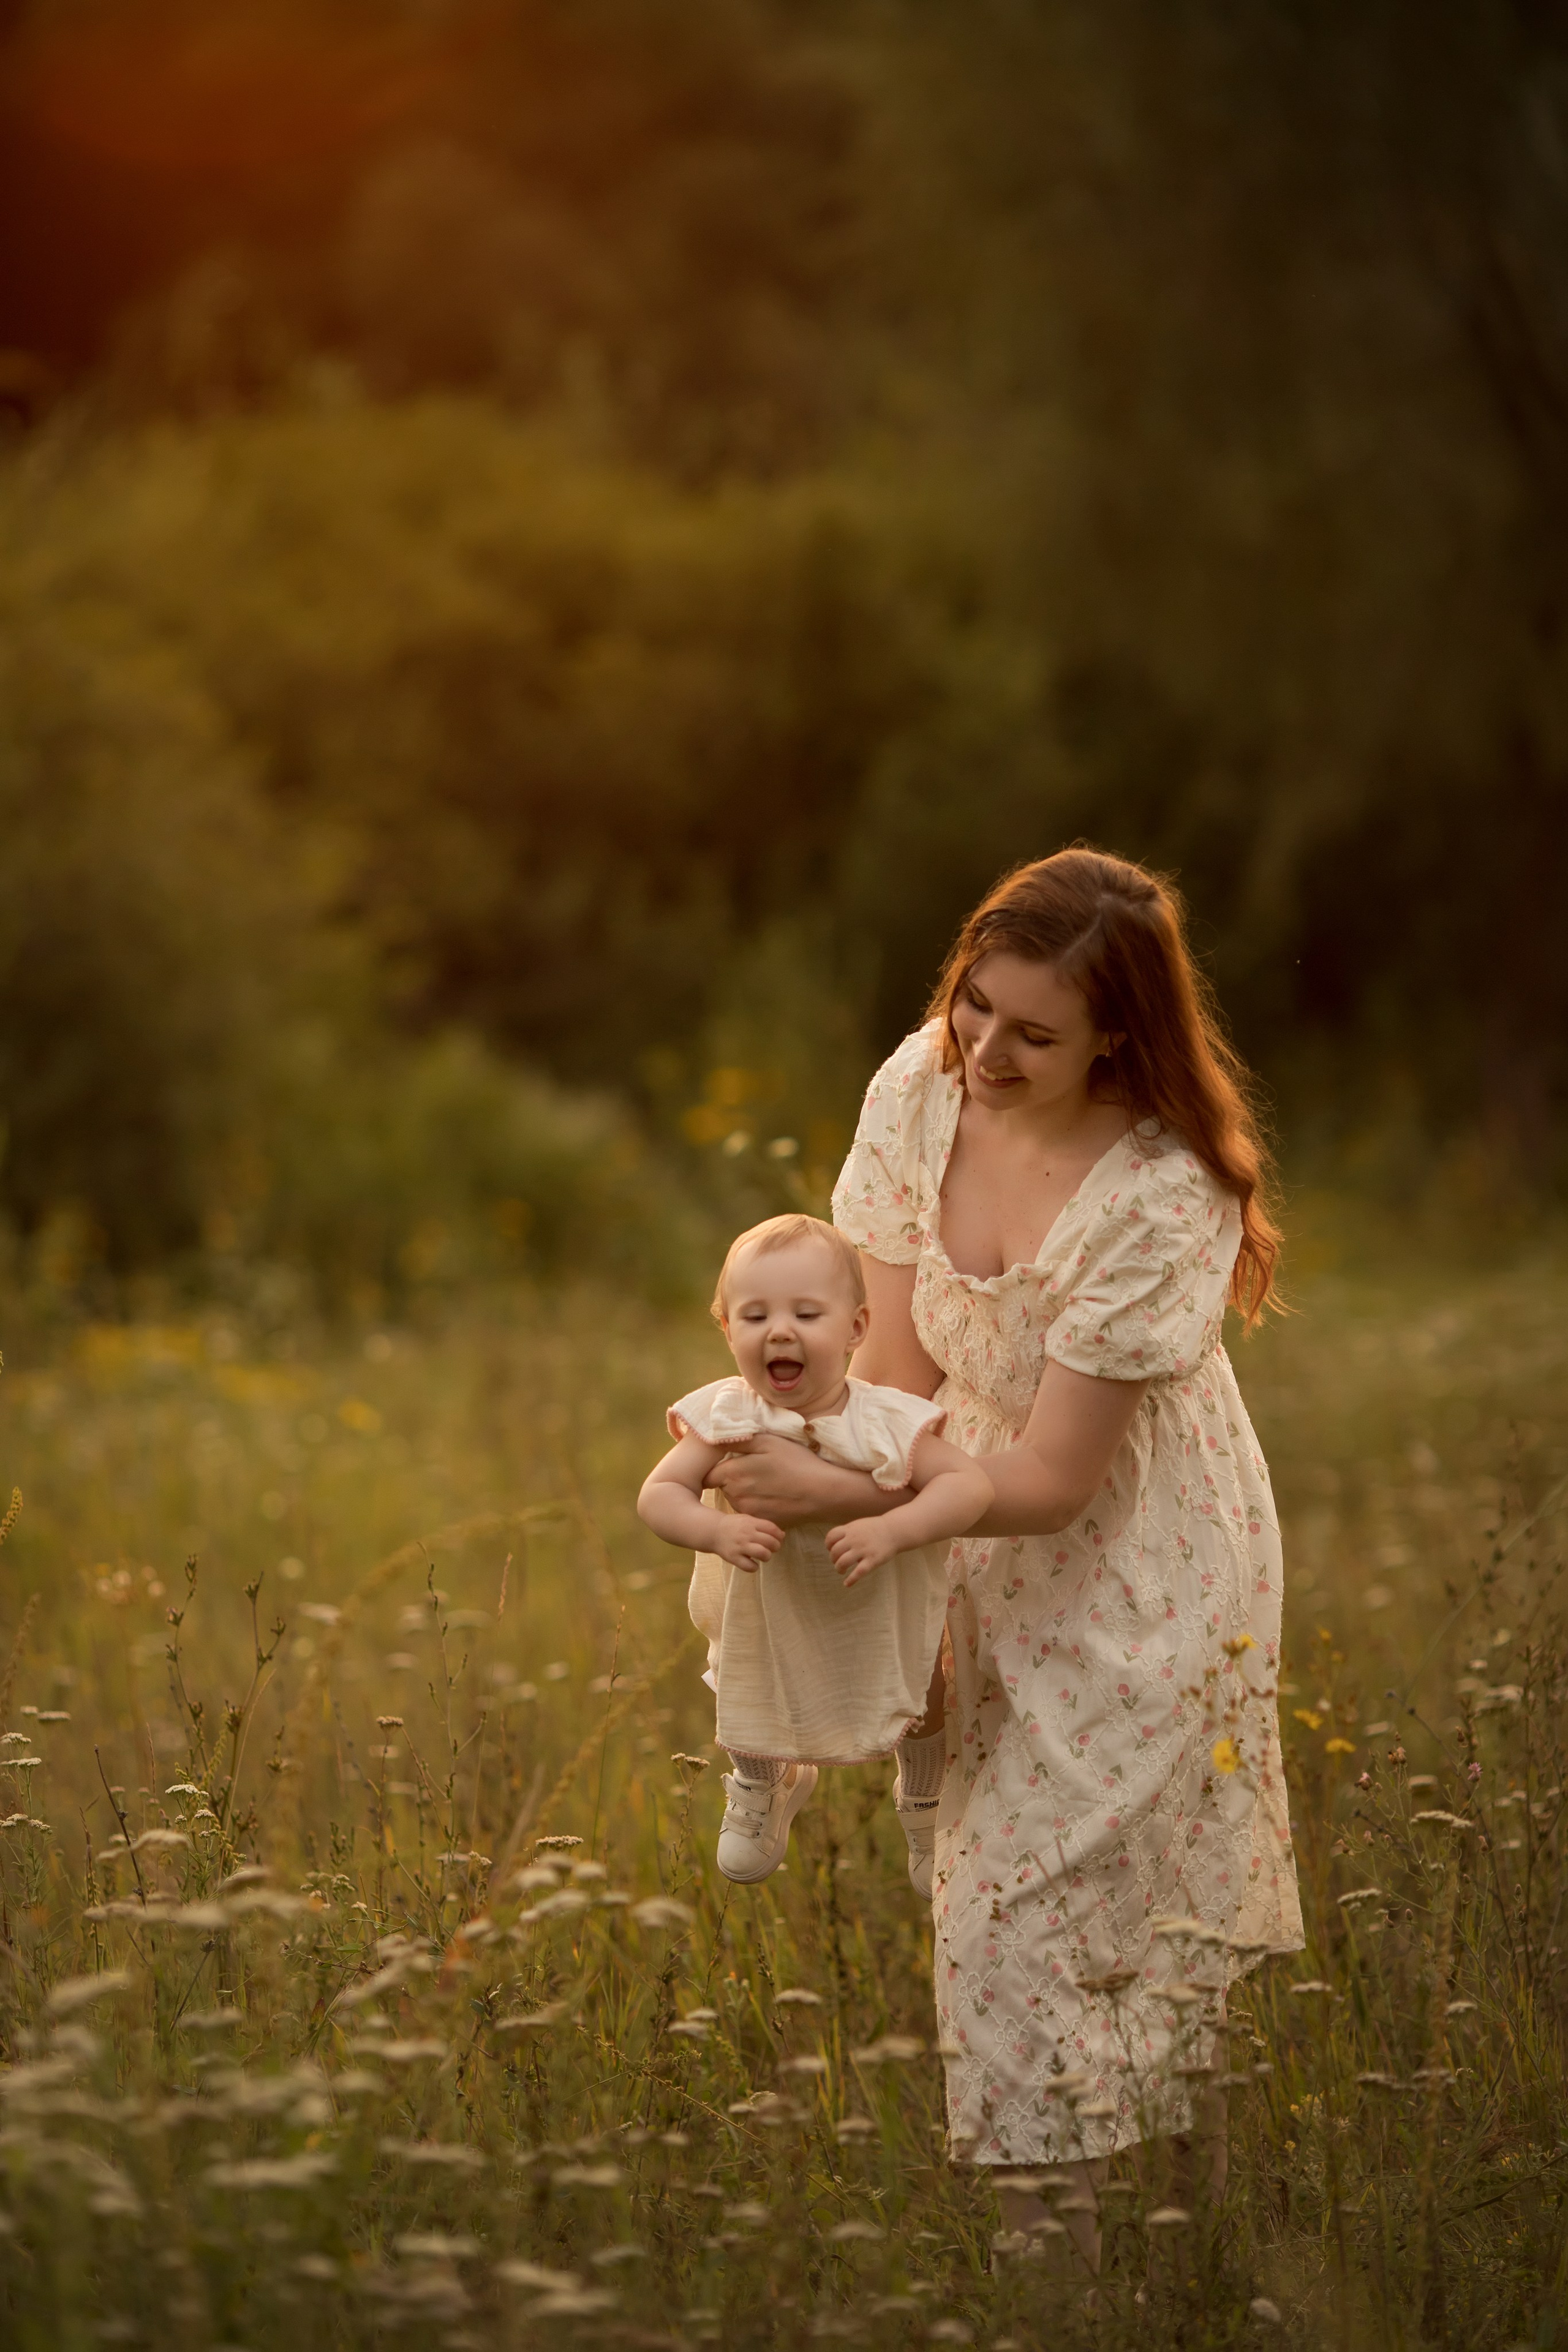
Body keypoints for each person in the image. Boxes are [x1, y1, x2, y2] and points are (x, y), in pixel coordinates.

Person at [705, 849, 1303, 2274]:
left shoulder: (1161, 1192)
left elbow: (1048, 1478)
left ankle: (1074, 2286)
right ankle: (1175, 2259)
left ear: (1117, 1033)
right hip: (949, 1505)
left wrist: (887, 1499)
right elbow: (898, 1362)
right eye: (974, 1006)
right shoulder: (921, 1088)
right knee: (1047, 1906)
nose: (983, 1048)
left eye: (1030, 1032)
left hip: (1136, 1560)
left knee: (1023, 1909)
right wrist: (822, 1479)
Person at [638, 1213, 993, 1886]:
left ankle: (923, 1797)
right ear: (726, 1329)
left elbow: (968, 1485)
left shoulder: (885, 1419)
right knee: (745, 1684)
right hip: (768, 1607)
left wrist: (894, 1528)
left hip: (874, 1601)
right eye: (754, 1316)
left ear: (855, 1328)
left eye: (806, 1313)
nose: (780, 1330)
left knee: (922, 1694)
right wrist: (715, 1531)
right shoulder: (726, 1417)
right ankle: (762, 1785)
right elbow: (657, 1495)